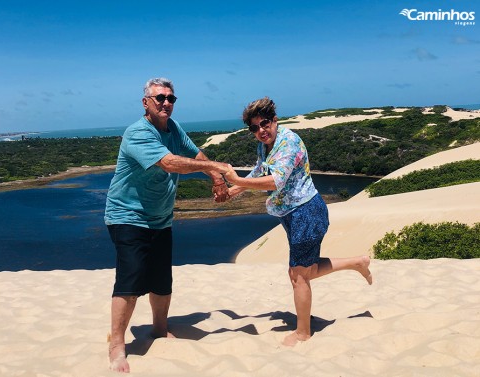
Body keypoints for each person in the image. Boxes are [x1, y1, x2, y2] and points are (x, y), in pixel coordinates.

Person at [224, 97, 373, 346]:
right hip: (290, 214)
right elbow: (261, 171)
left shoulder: (288, 142)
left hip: (307, 213)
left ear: (275, 120)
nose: (261, 130)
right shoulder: (265, 145)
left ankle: (303, 332)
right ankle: (358, 262)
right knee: (308, 269)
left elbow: (275, 181)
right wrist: (231, 191)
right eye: (254, 128)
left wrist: (236, 180)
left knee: (298, 275)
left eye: (265, 123)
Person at [104, 77, 230, 373]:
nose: (166, 103)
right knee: (131, 279)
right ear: (146, 102)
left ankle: (159, 328)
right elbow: (171, 163)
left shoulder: (173, 128)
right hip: (127, 215)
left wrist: (214, 178)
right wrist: (216, 168)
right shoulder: (137, 133)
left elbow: (193, 153)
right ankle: (117, 345)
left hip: (160, 218)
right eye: (160, 98)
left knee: (161, 279)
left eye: (171, 98)